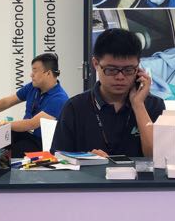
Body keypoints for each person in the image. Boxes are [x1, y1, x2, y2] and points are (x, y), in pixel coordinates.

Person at [52, 28, 166, 157]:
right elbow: (58, 160)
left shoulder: (153, 105)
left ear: (138, 67)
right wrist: (85, 159)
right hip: (91, 171)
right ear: (96, 64)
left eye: (128, 70)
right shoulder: (75, 108)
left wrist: (138, 105)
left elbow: (158, 157)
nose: (120, 77)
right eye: (111, 70)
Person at [0, 53, 69, 157]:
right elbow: (6, 102)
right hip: (26, 135)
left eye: (35, 71)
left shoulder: (59, 99)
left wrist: (3, 124)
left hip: (41, 144)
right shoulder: (33, 87)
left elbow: (31, 124)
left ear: (48, 73)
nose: (31, 74)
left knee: (10, 149)